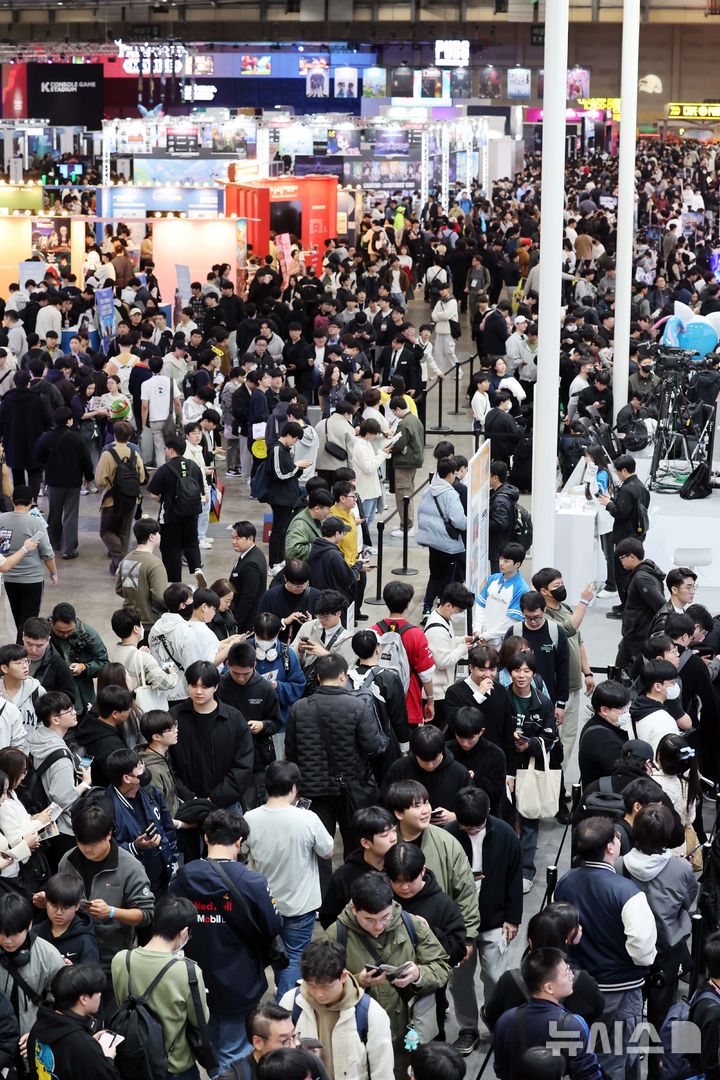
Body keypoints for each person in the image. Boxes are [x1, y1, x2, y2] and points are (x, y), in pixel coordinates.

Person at [168, 809, 284, 1072]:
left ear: (206, 838)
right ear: (239, 841)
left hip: (193, 981)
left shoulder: (183, 876)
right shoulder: (252, 881)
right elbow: (273, 925)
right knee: (236, 1054)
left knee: (207, 1048)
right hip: (240, 981)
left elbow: (169, 920)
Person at [554, 816, 657, 1080]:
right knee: (618, 1057)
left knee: (577, 1054)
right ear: (611, 847)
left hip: (575, 986)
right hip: (621, 990)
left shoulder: (565, 882)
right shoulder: (627, 892)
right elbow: (643, 951)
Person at [325, 872, 452, 1054]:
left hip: (411, 1030)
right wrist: (357, 981)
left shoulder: (411, 924)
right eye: (369, 920)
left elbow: (442, 966)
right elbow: (322, 989)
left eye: (385, 917)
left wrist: (419, 975)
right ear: (354, 908)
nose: (378, 926)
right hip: (363, 1036)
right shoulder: (336, 935)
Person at [617, 804, 697, 1070]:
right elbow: (689, 900)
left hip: (629, 951)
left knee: (626, 1016)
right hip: (667, 952)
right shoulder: (680, 869)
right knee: (661, 1020)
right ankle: (657, 1069)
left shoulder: (620, 865)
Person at [245, 761, 334, 1000]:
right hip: (300, 904)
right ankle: (286, 1005)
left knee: (276, 952)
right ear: (295, 788)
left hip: (265, 904)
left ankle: (283, 994)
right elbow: (328, 851)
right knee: (294, 956)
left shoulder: (250, 818)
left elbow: (241, 851)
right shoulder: (307, 818)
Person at [444, 786, 522, 1053]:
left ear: (488, 814)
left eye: (477, 827)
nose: (472, 832)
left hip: (495, 918)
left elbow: (514, 877)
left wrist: (513, 919)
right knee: (459, 980)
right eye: (467, 828)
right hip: (457, 923)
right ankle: (468, 1027)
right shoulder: (448, 835)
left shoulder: (505, 834)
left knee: (495, 975)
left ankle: (496, 1021)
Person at [285, 654, 387, 857]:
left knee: (318, 850)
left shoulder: (299, 708)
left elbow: (291, 752)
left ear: (318, 677)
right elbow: (373, 746)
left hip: (313, 790)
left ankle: (322, 887)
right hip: (350, 788)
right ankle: (352, 886)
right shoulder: (357, 706)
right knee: (356, 846)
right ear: (343, 676)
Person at [112, 895, 210, 1080]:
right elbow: (201, 1020)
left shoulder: (121, 959)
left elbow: (122, 1003)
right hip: (173, 1065)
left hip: (133, 1058)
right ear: (184, 932)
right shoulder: (188, 971)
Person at [51, 798, 155, 973]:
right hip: (72, 955)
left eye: (92, 845)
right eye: (81, 843)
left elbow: (146, 914)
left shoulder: (130, 867)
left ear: (109, 834)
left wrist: (112, 912)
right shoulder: (68, 860)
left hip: (113, 960)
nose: (86, 850)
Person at [385, 780, 480, 961]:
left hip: (437, 936)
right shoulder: (386, 843)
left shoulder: (446, 842)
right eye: (417, 806)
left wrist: (466, 938)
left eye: (426, 803)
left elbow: (466, 891)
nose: (426, 810)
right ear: (398, 813)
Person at [280, 938, 394, 1080]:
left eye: (326, 987)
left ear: (343, 976)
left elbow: (382, 1072)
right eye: (311, 985)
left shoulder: (371, 1013)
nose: (318, 994)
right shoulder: (291, 1003)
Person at [493, 947, 602, 1080]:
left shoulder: (506, 1020)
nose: (571, 976)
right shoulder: (573, 1025)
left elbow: (500, 1069)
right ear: (548, 987)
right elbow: (588, 1075)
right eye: (567, 972)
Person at [504, 650, 558, 893]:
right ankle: (502, 868)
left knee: (528, 818)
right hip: (504, 766)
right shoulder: (500, 697)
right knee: (503, 818)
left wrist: (530, 744)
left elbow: (550, 737)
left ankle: (526, 870)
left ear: (534, 674)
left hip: (529, 767)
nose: (521, 675)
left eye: (526, 671)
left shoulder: (543, 703)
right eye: (516, 670)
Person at [170, 660, 255, 809]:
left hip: (226, 805)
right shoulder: (174, 717)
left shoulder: (234, 719)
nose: (198, 691)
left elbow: (243, 765)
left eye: (205, 686)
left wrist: (215, 798)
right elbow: (166, 761)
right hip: (185, 804)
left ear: (215, 687)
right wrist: (188, 796)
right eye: (193, 685)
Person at [104, 748, 178, 896]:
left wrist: (173, 858)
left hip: (163, 873)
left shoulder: (151, 791)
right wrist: (135, 847)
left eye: (142, 763)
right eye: (139, 767)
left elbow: (167, 826)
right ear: (127, 778)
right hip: (134, 881)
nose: (144, 769)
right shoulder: (107, 807)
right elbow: (104, 848)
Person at [217, 641, 281, 809]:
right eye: (236, 673)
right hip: (225, 758)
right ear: (228, 664)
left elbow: (276, 722)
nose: (241, 678)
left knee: (255, 807)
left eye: (245, 673)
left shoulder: (265, 688)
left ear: (254, 665)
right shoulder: (218, 687)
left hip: (256, 760)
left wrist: (262, 725)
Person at [28, 691, 92, 856]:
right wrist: (84, 783)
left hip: (42, 820)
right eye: (69, 711)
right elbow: (63, 799)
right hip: (62, 828)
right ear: (55, 719)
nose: (74, 713)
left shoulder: (37, 736)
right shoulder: (61, 757)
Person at [28, 964, 118, 1080]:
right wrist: (107, 1058)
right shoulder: (83, 1045)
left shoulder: (39, 1025)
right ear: (84, 999)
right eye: (98, 991)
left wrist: (88, 1040)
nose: (100, 995)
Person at [318, 806, 398, 929]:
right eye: (385, 835)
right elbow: (328, 918)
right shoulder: (344, 877)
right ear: (365, 843)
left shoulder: (401, 865)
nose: (393, 838)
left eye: (394, 831)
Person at [371, 582, 436, 728]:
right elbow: (426, 675)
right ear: (408, 603)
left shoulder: (373, 631)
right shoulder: (416, 635)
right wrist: (430, 701)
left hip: (378, 704)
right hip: (408, 706)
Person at [34, 406, 94, 560]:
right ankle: (69, 549)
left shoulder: (46, 437)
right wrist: (89, 476)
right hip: (73, 482)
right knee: (70, 514)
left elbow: (38, 457)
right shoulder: (77, 438)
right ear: (69, 421)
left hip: (54, 482)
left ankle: (53, 545)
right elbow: (86, 461)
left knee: (54, 513)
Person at [146, 434, 205, 584]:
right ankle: (197, 568)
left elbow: (153, 494)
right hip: (192, 514)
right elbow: (200, 491)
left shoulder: (165, 469)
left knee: (171, 548)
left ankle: (175, 581)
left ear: (171, 451)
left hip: (171, 517)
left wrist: (165, 500)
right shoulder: (193, 466)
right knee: (191, 542)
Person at [381, 725, 471, 822]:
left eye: (434, 760)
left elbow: (471, 806)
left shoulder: (459, 772)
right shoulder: (399, 768)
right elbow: (384, 804)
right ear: (415, 754)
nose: (430, 766)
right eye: (424, 760)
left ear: (442, 752)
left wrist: (456, 816)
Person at [0, 486, 57, 635]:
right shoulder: (36, 522)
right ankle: (21, 652)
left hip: (10, 579)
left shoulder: (1, 519)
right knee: (29, 624)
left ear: (12, 500)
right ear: (32, 501)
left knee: (18, 618)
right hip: (32, 580)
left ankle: (19, 649)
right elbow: (47, 552)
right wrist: (53, 573)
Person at [597, 454, 650, 610]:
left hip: (626, 538)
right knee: (629, 573)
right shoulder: (641, 486)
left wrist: (608, 504)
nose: (618, 476)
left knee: (621, 573)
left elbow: (620, 513)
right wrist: (614, 501)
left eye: (618, 472)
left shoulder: (627, 489)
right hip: (637, 535)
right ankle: (627, 605)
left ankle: (627, 607)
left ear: (624, 470)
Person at [417, 459, 468, 614]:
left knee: (434, 576)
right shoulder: (451, 494)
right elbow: (459, 521)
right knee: (448, 579)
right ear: (451, 474)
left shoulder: (428, 490)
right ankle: (443, 610)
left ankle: (427, 607)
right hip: (447, 544)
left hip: (432, 542)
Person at [95, 420, 146, 573]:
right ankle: (118, 567)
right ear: (130, 436)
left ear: (113, 435)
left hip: (111, 500)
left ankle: (124, 559)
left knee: (106, 531)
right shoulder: (135, 453)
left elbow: (99, 480)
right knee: (123, 531)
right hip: (131, 499)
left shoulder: (107, 454)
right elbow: (142, 478)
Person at [423, 584, 477, 728]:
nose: (460, 614)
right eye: (459, 610)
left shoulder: (442, 617)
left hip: (442, 688)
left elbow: (446, 643)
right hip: (437, 692)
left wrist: (461, 640)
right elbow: (442, 661)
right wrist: (462, 648)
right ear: (448, 605)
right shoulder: (437, 629)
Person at [266, 421, 312, 574]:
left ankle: (280, 559)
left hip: (287, 495)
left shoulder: (286, 450)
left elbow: (289, 472)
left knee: (283, 529)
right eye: (296, 438)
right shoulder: (277, 449)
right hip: (280, 497)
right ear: (289, 435)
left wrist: (298, 469)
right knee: (278, 530)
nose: (296, 442)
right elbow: (279, 474)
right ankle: (273, 563)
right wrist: (297, 466)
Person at [613, 539, 666, 670]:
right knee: (619, 672)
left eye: (622, 558)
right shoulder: (645, 573)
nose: (621, 561)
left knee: (628, 676)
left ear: (632, 556)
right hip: (634, 636)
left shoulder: (641, 578)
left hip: (639, 638)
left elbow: (662, 606)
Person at [148, 583, 205, 703]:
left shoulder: (155, 629)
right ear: (182, 605)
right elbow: (195, 667)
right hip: (181, 693)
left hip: (160, 691)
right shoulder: (186, 633)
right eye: (191, 600)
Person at [49, 603, 108, 717]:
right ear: (51, 623)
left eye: (70, 631)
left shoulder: (88, 634)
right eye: (60, 632)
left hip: (83, 697)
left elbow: (104, 663)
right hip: (55, 695)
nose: (65, 635)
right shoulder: (45, 634)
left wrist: (84, 667)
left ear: (75, 622)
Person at [292, 589, 355, 690]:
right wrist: (300, 652)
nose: (321, 621)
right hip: (304, 685)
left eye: (326, 618)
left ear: (338, 613)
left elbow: (346, 673)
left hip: (330, 691)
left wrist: (326, 655)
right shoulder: (308, 627)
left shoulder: (348, 640)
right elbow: (291, 659)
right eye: (319, 616)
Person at [33, 872, 101, 966]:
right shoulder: (35, 934)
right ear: (46, 902)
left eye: (66, 907)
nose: (59, 912)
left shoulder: (85, 939)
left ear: (77, 905)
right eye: (54, 906)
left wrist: (73, 972)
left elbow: (94, 976)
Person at [114, 516, 169, 633]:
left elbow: (119, 589)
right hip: (150, 622)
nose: (160, 536)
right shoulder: (155, 564)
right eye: (158, 533)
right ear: (151, 537)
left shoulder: (127, 559)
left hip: (130, 620)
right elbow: (159, 596)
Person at [577, 681, 632, 787]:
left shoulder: (596, 724)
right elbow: (621, 775)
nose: (627, 712)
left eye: (628, 706)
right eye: (622, 709)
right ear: (605, 710)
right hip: (605, 797)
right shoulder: (603, 741)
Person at [473, 542, 529, 642]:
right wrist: (477, 630)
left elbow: (512, 620)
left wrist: (486, 636)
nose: (501, 563)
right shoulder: (493, 578)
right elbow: (481, 605)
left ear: (517, 564)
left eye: (506, 561)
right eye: (501, 559)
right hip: (482, 638)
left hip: (504, 643)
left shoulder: (522, 588)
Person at [257, 560, 320, 645]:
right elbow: (260, 624)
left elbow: (326, 626)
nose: (299, 588)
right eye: (295, 585)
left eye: (303, 585)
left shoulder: (317, 596)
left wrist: (311, 623)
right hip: (277, 647)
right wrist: (284, 621)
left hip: (308, 649)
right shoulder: (271, 596)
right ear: (285, 578)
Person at [628, 659, 686, 750]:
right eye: (672, 682)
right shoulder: (664, 721)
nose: (676, 685)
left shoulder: (634, 708)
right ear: (658, 686)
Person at [388, 396, 424, 535]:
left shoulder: (404, 424)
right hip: (412, 460)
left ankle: (407, 526)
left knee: (403, 494)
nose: (394, 414)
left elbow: (398, 445)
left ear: (398, 409)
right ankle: (405, 523)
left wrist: (389, 445)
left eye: (393, 412)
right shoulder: (414, 419)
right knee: (408, 492)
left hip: (404, 462)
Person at [229, 520, 269, 634]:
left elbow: (248, 599)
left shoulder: (251, 564)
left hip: (247, 621)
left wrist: (235, 622)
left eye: (237, 538)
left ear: (250, 538)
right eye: (232, 538)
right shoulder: (251, 553)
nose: (233, 541)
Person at [21, 617, 75, 700]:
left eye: (39, 646)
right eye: (29, 644)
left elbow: (69, 696)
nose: (33, 650)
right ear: (23, 636)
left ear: (48, 640)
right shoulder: (11, 656)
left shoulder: (58, 665)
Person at [308, 516, 358, 603]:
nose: (343, 535)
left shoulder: (314, 548)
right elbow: (348, 578)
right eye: (343, 533)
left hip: (318, 599)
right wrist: (358, 565)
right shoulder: (334, 554)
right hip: (334, 602)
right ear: (337, 533)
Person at [284, 489, 334, 563]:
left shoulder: (316, 518)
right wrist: (321, 546)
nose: (330, 512)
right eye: (328, 509)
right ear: (317, 509)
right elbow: (292, 552)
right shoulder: (300, 525)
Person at [483, 392, 522, 466]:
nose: (509, 403)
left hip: (492, 449)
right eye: (508, 401)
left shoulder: (489, 413)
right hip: (504, 451)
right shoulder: (506, 417)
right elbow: (515, 435)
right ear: (502, 402)